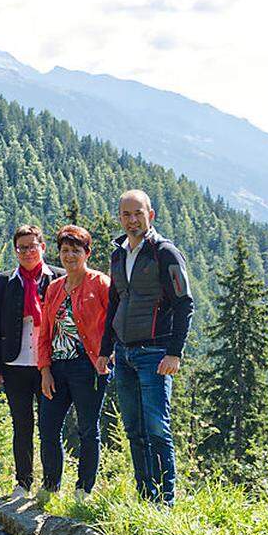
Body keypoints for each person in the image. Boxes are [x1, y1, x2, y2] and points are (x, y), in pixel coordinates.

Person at [96, 189, 194, 505]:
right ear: (120, 218)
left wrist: (175, 352)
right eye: (126, 214)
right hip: (123, 354)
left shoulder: (166, 253)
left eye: (138, 213)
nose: (132, 220)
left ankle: (166, 502)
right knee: (134, 430)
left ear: (150, 215)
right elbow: (114, 302)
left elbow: (184, 303)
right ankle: (145, 497)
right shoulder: (118, 254)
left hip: (155, 353)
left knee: (156, 429)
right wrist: (104, 349)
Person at [0, 225, 65, 497]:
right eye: (22, 248)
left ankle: (52, 486)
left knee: (50, 426)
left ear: (43, 247)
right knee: (21, 426)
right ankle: (23, 482)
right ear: (15, 251)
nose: (28, 252)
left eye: (33, 246)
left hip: (49, 367)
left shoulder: (59, 278)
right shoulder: (3, 282)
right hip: (15, 364)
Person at [36, 225, 111, 501]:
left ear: (87, 253)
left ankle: (84, 490)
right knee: (48, 427)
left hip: (88, 367)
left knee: (88, 429)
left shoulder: (100, 283)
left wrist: (107, 354)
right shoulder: (56, 288)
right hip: (57, 367)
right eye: (65, 250)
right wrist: (44, 370)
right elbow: (44, 332)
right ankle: (51, 485)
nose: (69, 256)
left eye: (75, 250)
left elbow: (114, 323)